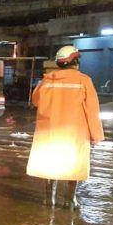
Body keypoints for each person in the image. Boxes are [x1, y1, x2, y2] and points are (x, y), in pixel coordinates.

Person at [26, 45, 104, 210]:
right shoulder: (84, 81)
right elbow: (92, 110)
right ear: (75, 62)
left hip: (49, 132)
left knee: (50, 165)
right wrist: (96, 135)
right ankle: (70, 200)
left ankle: (49, 200)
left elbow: (35, 100)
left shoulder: (46, 81)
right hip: (74, 133)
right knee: (73, 166)